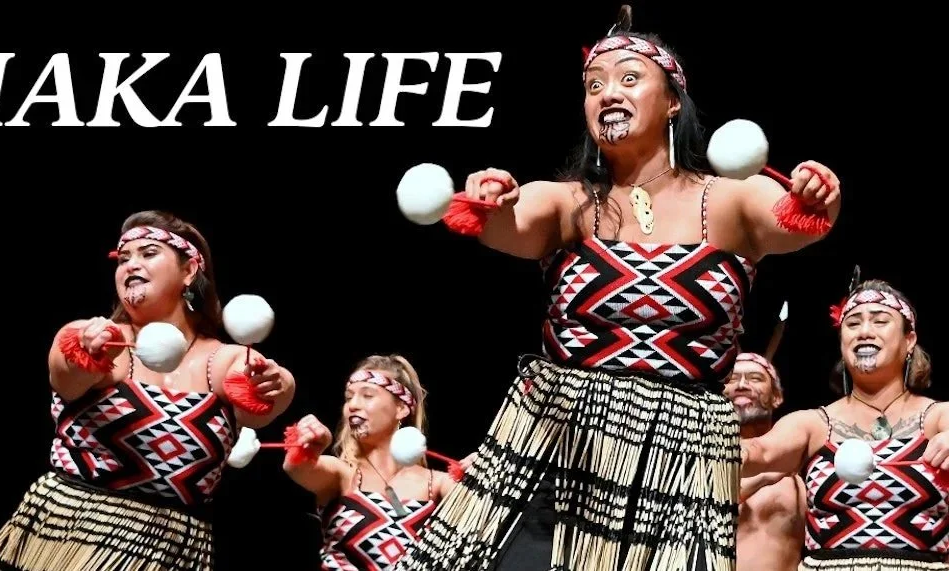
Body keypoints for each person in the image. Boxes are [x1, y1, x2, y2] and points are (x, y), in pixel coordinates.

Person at [397, 6, 842, 571]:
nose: (608, 93)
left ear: (673, 100)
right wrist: (487, 199)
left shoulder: (729, 200)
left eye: (630, 79)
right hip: (555, 449)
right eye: (593, 85)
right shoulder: (569, 203)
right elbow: (508, 223)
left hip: (677, 465)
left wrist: (817, 191)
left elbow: (800, 218)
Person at [0, 210, 298, 571]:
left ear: (190, 270)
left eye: (148, 253)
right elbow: (65, 377)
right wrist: (84, 354)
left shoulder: (224, 360)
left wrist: (278, 384)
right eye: (123, 258)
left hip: (169, 549)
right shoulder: (98, 339)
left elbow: (260, 408)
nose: (130, 265)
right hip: (69, 533)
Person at [742, 278, 947, 570]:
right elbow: (758, 452)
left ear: (909, 340)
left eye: (880, 321)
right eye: (852, 324)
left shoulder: (939, 417)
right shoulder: (813, 425)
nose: (864, 332)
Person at [286, 355, 458, 570]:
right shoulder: (342, 475)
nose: (353, 405)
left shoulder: (437, 485)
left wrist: (478, 472)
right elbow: (298, 467)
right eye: (348, 398)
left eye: (367, 395)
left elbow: (480, 517)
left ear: (402, 408)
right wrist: (306, 445)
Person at [725, 352, 804, 571]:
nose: (742, 385)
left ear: (776, 397)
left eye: (755, 378)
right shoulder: (692, 463)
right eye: (732, 378)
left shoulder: (801, 468)